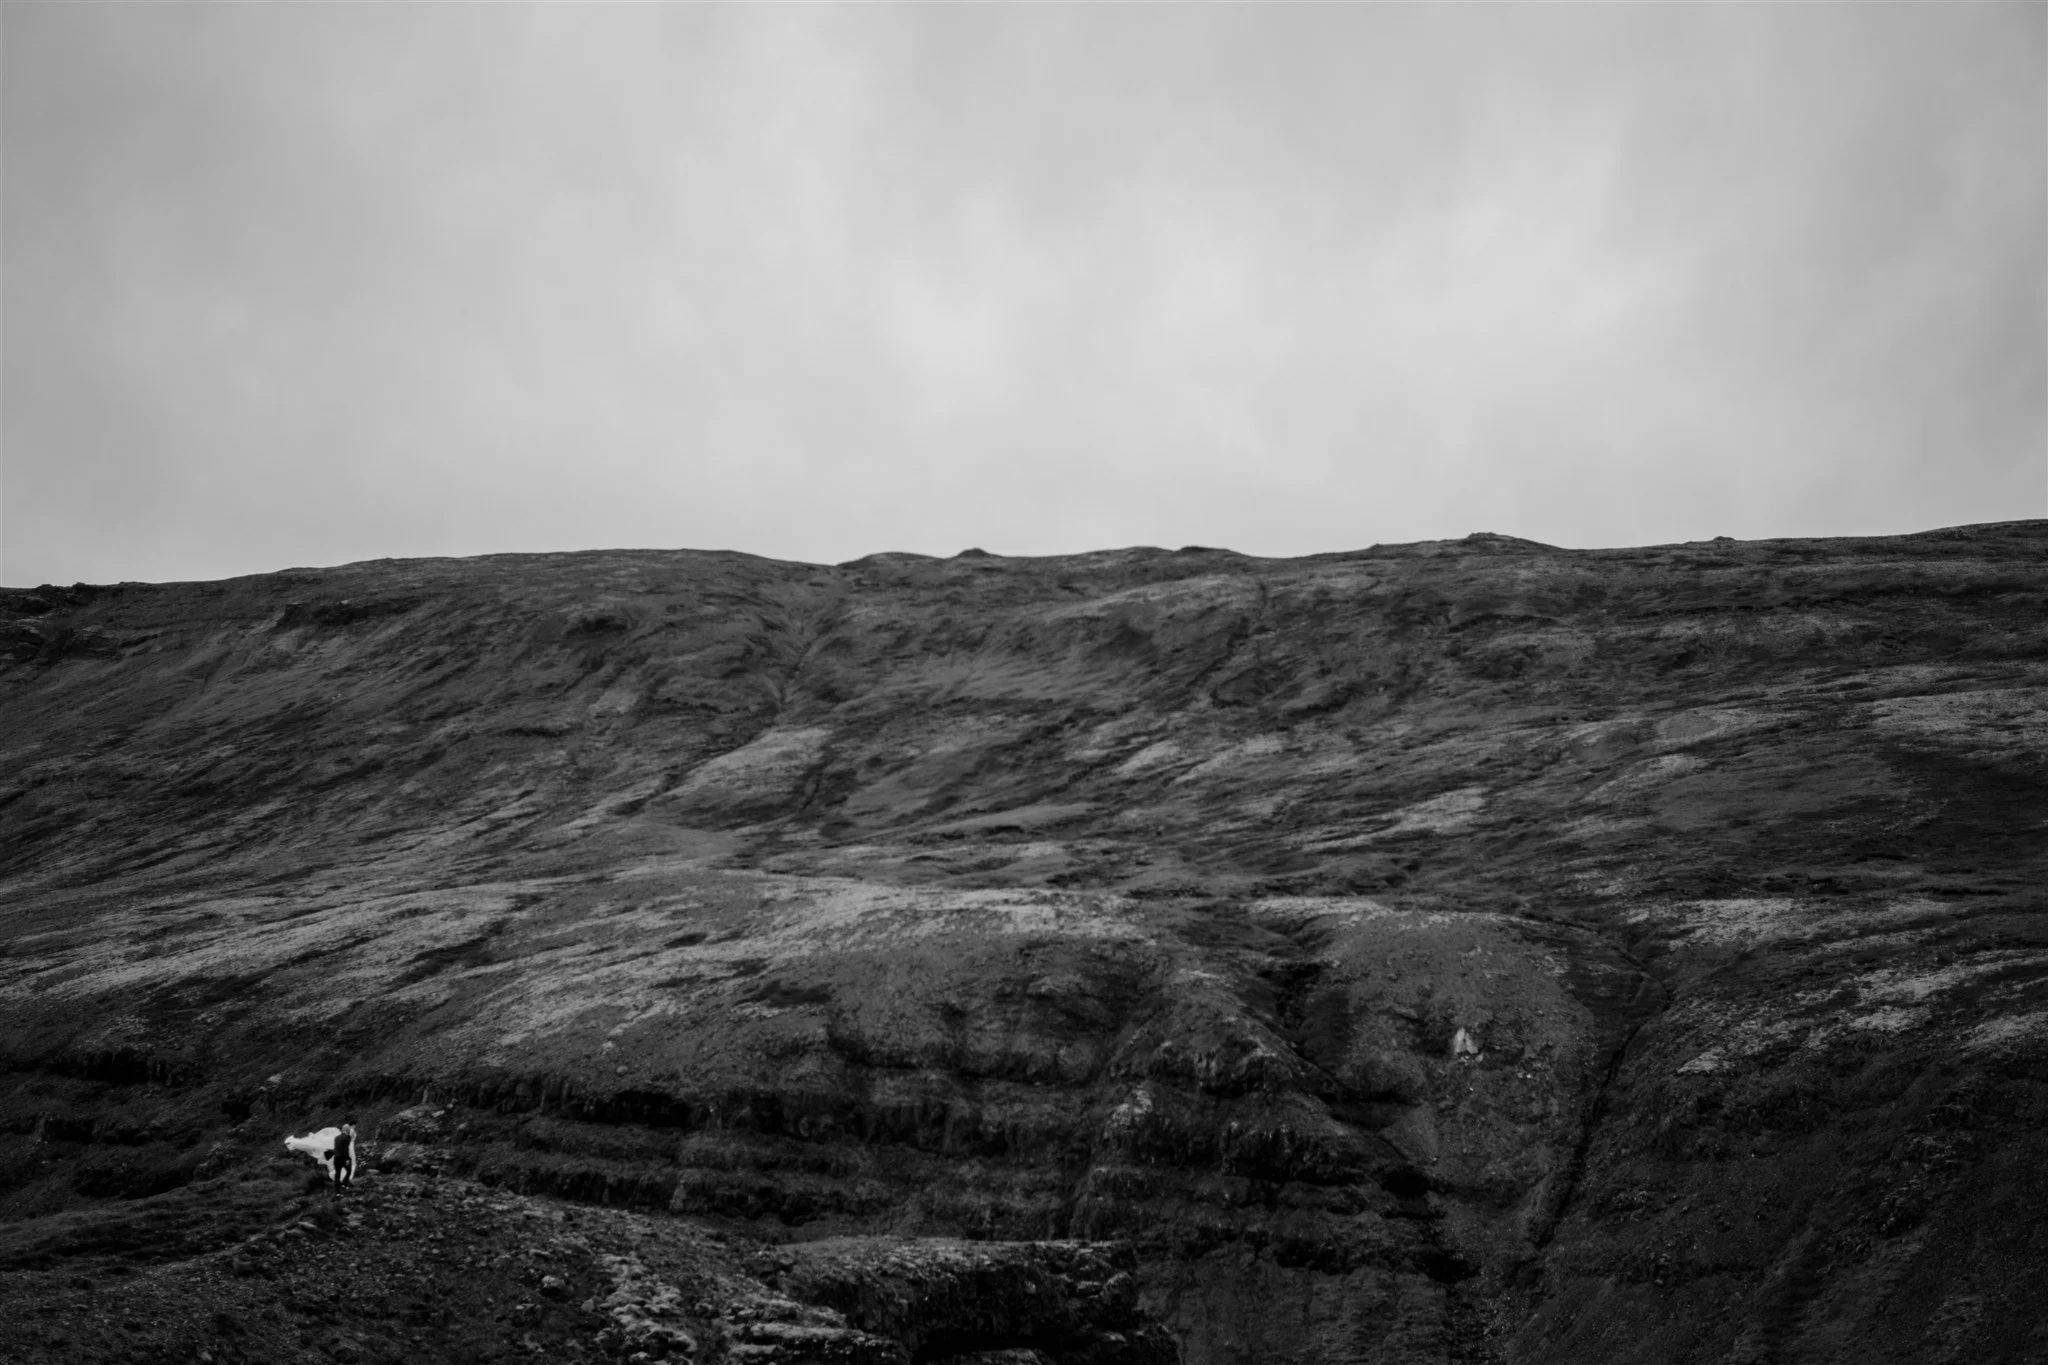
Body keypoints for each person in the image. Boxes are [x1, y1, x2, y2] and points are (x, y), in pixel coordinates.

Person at [330, 1118, 357, 1193]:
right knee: (349, 1170)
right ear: (348, 1130)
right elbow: (346, 1150)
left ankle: (337, 1192)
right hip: (343, 1158)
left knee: (337, 1175)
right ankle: (344, 1184)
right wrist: (347, 1159)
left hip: (336, 1158)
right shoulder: (347, 1137)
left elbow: (336, 1148)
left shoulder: (336, 1137)